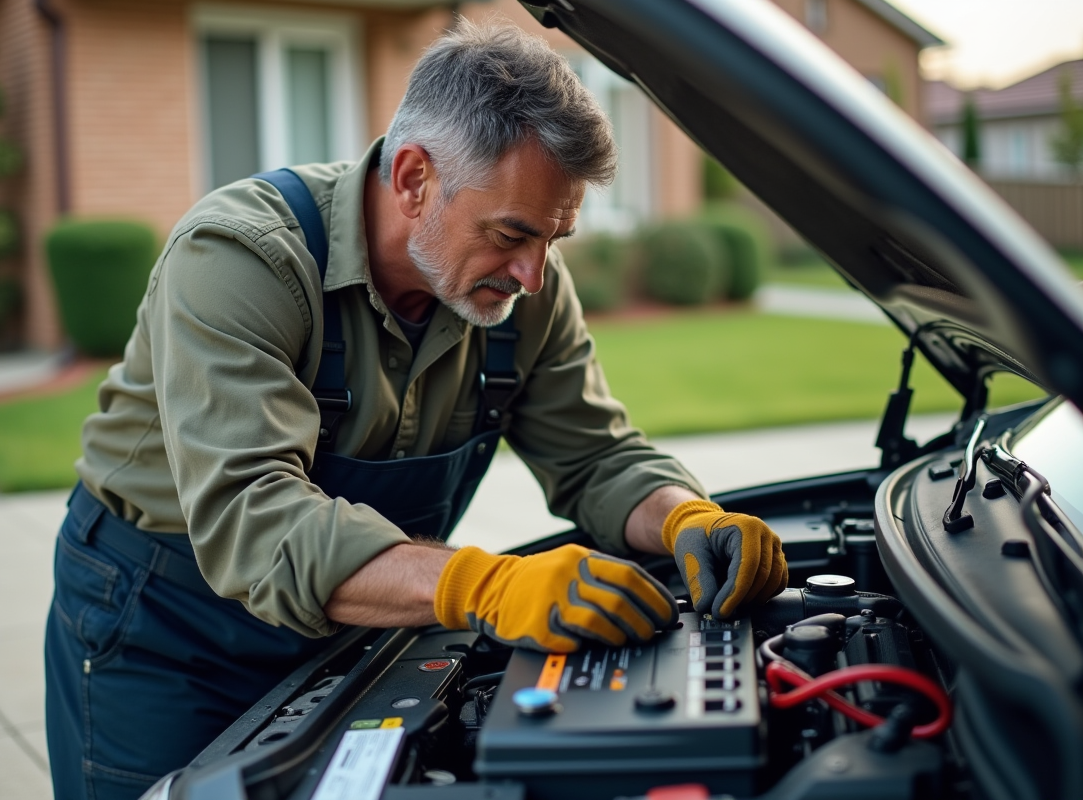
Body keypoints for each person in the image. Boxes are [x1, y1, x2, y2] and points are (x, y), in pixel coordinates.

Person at [44, 20, 787, 800]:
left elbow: (596, 456)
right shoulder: (240, 260)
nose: (534, 275)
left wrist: (686, 517)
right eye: (512, 234)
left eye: (554, 240)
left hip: (355, 620)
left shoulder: (521, 291)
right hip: (167, 629)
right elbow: (255, 523)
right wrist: (489, 586)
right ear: (412, 179)